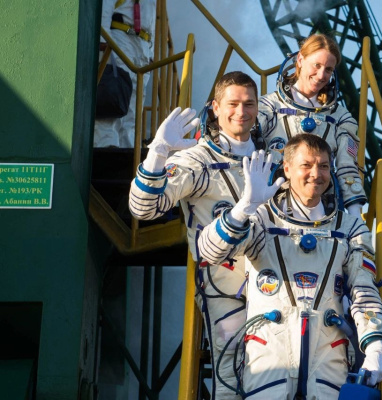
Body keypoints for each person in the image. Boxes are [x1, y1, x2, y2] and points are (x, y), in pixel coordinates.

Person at [197, 134, 382, 399]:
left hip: (327, 362)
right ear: (287, 169)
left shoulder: (349, 228)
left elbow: (364, 291)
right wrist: (243, 208)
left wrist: (376, 349)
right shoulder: (262, 219)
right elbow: (210, 252)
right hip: (268, 359)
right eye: (307, 165)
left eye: (323, 166)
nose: (316, 174)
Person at [129, 71, 265, 399]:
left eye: (249, 104)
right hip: (226, 288)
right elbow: (143, 208)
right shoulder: (197, 160)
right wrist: (158, 151)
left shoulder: (271, 159)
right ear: (215, 107)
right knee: (232, 371)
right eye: (233, 103)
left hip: (274, 282)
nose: (241, 111)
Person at [258, 33, 367, 218]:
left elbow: (347, 167)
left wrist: (356, 216)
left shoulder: (340, 117)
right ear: (300, 60)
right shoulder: (268, 107)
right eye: (316, 65)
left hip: (322, 211)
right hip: (271, 210)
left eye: (328, 69)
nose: (321, 75)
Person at [94, 0, 156, 148]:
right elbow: (106, 4)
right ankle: (106, 145)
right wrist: (103, 38)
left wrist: (150, 52)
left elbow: (151, 19)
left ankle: (127, 148)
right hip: (121, 37)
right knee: (114, 94)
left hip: (142, 44)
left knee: (134, 102)